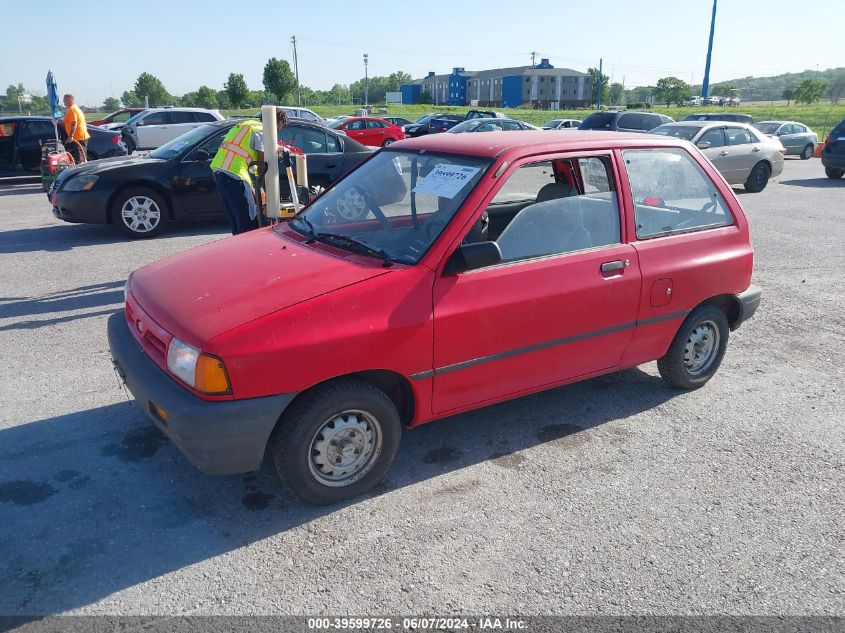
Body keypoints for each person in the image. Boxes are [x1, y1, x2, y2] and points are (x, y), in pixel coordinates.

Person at [211, 108, 288, 235]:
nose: (276, 133)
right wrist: (267, 195)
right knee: (248, 226)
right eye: (278, 129)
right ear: (275, 123)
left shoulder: (246, 124)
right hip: (235, 177)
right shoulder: (261, 130)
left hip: (222, 175)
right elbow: (263, 164)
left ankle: (239, 252)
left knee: (238, 224)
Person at [62, 94, 89, 164]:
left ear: (70, 100)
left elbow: (74, 123)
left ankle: (81, 172)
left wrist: (71, 136)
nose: (63, 102)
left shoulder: (72, 109)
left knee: (80, 159)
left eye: (65, 100)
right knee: (81, 156)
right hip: (79, 136)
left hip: (78, 136)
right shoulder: (74, 108)